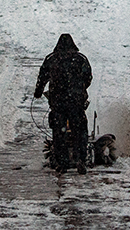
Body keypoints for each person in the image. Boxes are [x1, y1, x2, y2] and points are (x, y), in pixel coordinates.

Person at [34, 33, 92, 174]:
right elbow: (88, 77)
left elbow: (42, 76)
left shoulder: (52, 59)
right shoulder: (80, 59)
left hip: (58, 103)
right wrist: (80, 89)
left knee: (59, 133)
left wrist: (38, 91)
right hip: (76, 103)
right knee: (79, 132)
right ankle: (80, 160)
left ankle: (62, 163)